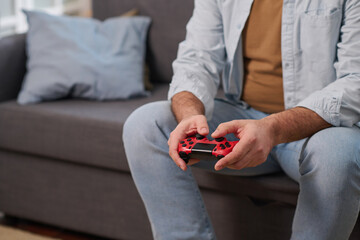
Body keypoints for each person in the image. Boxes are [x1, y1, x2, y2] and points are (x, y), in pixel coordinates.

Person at [123, 0, 360, 239]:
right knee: (145, 124)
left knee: (339, 153)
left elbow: (355, 80)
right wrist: (191, 116)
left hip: (317, 129)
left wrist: (272, 128)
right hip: (243, 119)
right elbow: (196, 59)